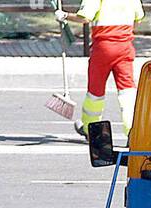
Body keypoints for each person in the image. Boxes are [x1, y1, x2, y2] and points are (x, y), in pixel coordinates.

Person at [57, 0, 144, 138]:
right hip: (125, 47)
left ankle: (91, 130)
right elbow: (138, 19)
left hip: (103, 48)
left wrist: (64, 15)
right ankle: (133, 132)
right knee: (127, 91)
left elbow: (85, 17)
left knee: (95, 91)